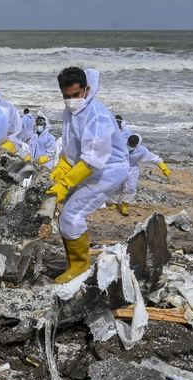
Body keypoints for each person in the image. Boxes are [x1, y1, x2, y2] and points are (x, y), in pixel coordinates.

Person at [46, 67, 129, 284]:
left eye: (76, 95)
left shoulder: (97, 115)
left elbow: (94, 159)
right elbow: (72, 147)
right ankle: (74, 263)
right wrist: (61, 169)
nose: (72, 100)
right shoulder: (70, 112)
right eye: (66, 96)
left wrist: (65, 183)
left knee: (71, 216)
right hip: (85, 168)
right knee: (64, 213)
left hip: (108, 170)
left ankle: (80, 268)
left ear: (87, 89)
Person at [107, 134, 171, 216]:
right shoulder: (122, 145)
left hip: (133, 170)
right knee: (117, 186)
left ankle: (125, 205)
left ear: (137, 145)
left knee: (131, 188)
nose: (130, 147)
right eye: (129, 145)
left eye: (132, 145)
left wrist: (163, 167)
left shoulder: (142, 150)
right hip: (120, 168)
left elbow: (154, 158)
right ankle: (115, 203)